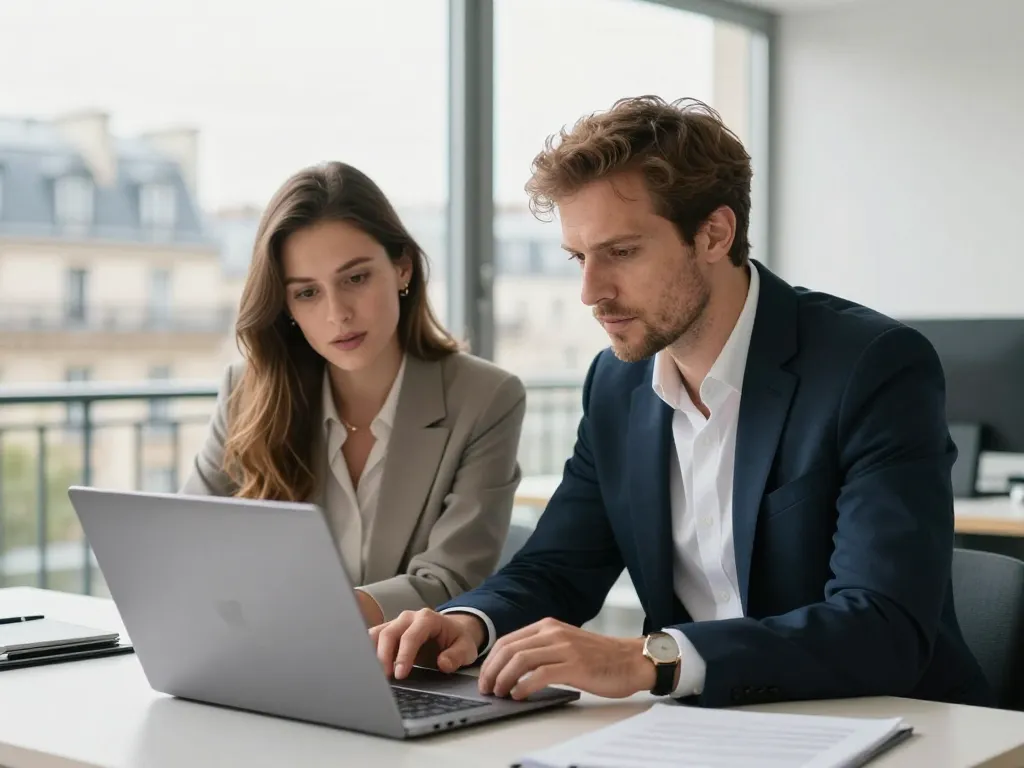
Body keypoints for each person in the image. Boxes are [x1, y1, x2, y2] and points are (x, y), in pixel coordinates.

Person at [370, 97, 993, 708]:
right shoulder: (617, 384)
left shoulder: (871, 366)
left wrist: (649, 659)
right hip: (703, 730)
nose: (590, 291)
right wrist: (470, 624)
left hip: (890, 723)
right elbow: (559, 566)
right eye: (578, 258)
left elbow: (881, 626)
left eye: (621, 252)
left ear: (714, 234)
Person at [182, 161, 526, 628]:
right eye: (307, 293)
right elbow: (188, 545)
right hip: (267, 660)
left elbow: (450, 579)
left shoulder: (486, 398)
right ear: (285, 305)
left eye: (356, 278)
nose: (337, 314)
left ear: (402, 267)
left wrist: (312, 614)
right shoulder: (246, 392)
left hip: (412, 672)